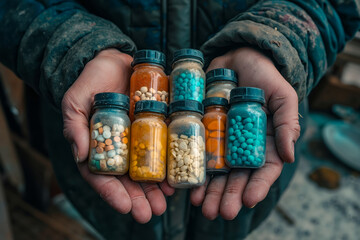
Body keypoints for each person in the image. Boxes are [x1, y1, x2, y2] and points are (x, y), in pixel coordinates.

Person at [1, 0, 359, 239]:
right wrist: (72, 50)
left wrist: (280, 41)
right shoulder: (147, 112)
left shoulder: (218, 113)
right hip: (102, 172)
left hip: (230, 204)